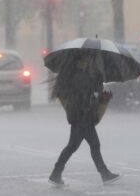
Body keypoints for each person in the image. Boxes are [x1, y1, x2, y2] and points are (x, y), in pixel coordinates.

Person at [49, 52, 121, 186]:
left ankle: (56, 173)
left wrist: (101, 95)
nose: (90, 60)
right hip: (82, 116)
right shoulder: (80, 75)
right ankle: (104, 174)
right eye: (88, 58)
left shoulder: (81, 73)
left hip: (80, 115)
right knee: (93, 145)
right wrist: (98, 82)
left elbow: (91, 93)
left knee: (73, 146)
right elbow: (88, 93)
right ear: (81, 60)